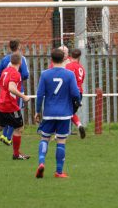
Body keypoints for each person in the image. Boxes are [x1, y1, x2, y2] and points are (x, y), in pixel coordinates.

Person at [34, 49, 81, 178]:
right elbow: (76, 93)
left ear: (51, 60)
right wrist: (78, 102)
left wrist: (38, 111)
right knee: (61, 141)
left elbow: (40, 95)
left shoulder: (45, 74)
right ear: (64, 59)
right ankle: (59, 172)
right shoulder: (69, 74)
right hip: (65, 114)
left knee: (44, 139)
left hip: (49, 113)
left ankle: (41, 163)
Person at [0, 40, 29, 146]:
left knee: (7, 113)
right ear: (19, 46)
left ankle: (4, 135)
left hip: (5, 91)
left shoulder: (5, 59)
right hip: (17, 90)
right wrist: (17, 78)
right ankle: (8, 137)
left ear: (9, 47)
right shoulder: (21, 58)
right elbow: (25, 74)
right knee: (15, 113)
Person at [65, 49, 86, 139]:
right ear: (79, 57)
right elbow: (81, 80)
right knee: (70, 112)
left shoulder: (68, 66)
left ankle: (61, 133)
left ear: (71, 55)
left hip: (70, 92)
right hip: (79, 93)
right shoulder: (81, 68)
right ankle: (79, 125)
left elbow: (65, 79)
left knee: (65, 112)